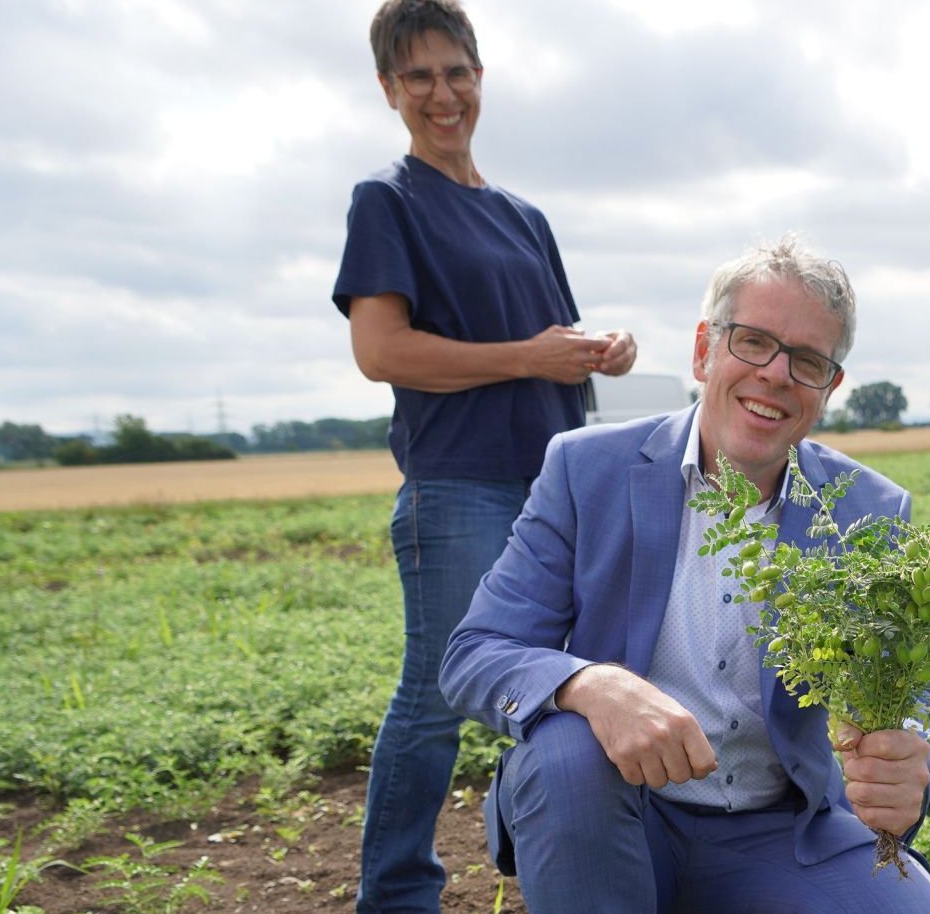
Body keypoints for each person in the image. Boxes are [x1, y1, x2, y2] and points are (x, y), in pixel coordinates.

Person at [440, 236, 930, 913]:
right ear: (703, 350)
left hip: (780, 832)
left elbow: (910, 692)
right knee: (567, 745)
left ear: (829, 389)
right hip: (617, 813)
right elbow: (475, 653)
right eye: (752, 341)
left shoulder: (869, 511)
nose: (775, 374)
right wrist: (588, 683)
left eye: (807, 361)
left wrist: (911, 755)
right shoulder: (583, 468)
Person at [331, 2, 636, 911]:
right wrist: (527, 357)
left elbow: (551, 337)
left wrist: (597, 348)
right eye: (418, 77)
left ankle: (553, 866)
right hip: (460, 487)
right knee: (436, 701)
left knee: (552, 688)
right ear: (389, 90)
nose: (442, 94)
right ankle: (395, 896)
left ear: (480, 76)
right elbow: (382, 352)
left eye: (456, 72)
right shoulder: (386, 202)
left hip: (553, 488)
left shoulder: (522, 215)